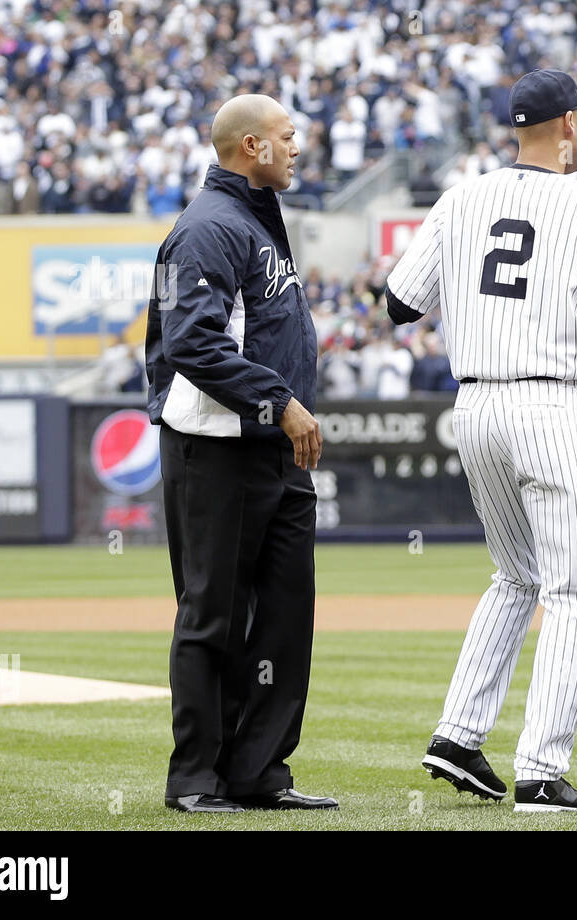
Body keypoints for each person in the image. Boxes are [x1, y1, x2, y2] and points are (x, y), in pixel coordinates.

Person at [385, 69, 577, 813]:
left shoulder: (462, 198)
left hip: (476, 405)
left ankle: (458, 735)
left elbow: (398, 304)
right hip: (550, 404)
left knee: (514, 575)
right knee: (571, 591)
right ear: (568, 126)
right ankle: (540, 770)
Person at [145, 94, 337, 814]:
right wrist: (281, 403)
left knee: (285, 618)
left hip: (275, 454)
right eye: (287, 138)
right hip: (215, 448)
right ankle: (196, 777)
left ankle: (258, 771)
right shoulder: (206, 228)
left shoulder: (256, 219)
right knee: (212, 616)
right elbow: (192, 341)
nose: (297, 148)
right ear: (251, 147)